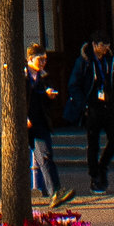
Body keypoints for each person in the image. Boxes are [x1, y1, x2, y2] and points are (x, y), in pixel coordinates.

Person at [64, 34, 114, 194]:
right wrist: (84, 105)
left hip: (108, 105)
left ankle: (102, 166)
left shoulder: (109, 60)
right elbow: (74, 85)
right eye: (103, 46)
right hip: (92, 107)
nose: (106, 49)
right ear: (94, 45)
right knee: (93, 144)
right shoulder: (84, 61)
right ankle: (95, 176)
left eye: (107, 46)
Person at [24, 43, 73, 208]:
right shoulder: (21, 75)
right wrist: (23, 117)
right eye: (41, 59)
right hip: (25, 123)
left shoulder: (44, 76)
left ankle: (54, 192)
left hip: (40, 121)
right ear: (30, 59)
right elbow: (15, 99)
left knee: (44, 155)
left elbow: (45, 98)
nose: (44, 62)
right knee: (34, 158)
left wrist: (49, 96)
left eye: (45, 59)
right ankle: (49, 192)